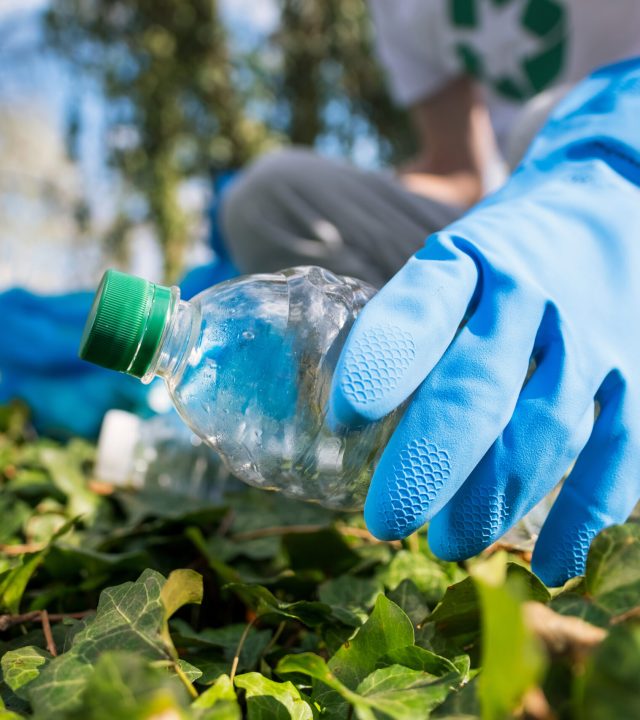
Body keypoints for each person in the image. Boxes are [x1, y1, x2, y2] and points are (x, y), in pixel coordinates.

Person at [220, 3, 640, 586]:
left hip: (615, 186)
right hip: (517, 211)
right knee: (271, 199)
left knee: (535, 123)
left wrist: (612, 174)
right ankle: (460, 412)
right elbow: (457, 171)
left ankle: (594, 415)